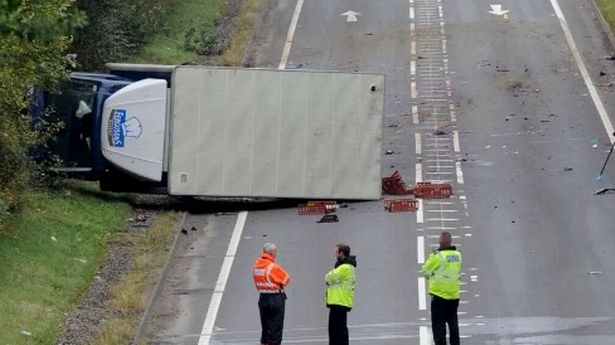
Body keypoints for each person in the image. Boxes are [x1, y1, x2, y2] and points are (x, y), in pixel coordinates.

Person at [422, 232, 463, 345]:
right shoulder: (458, 255)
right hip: (454, 296)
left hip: (439, 296)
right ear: (451, 241)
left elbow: (425, 271)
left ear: (440, 242)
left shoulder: (437, 257)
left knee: (439, 325)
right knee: (453, 323)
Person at [253, 243, 291, 345]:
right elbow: (286, 279)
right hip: (275, 299)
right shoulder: (272, 267)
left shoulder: (256, 265)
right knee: (275, 329)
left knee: (265, 328)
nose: (276, 254)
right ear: (272, 253)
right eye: (275, 252)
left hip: (263, 298)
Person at [325, 243, 357, 345]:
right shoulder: (346, 266)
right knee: (338, 330)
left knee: (336, 331)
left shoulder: (345, 267)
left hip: (339, 302)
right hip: (340, 302)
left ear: (341, 253)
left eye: (336, 252)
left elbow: (328, 278)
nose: (335, 254)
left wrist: (330, 275)